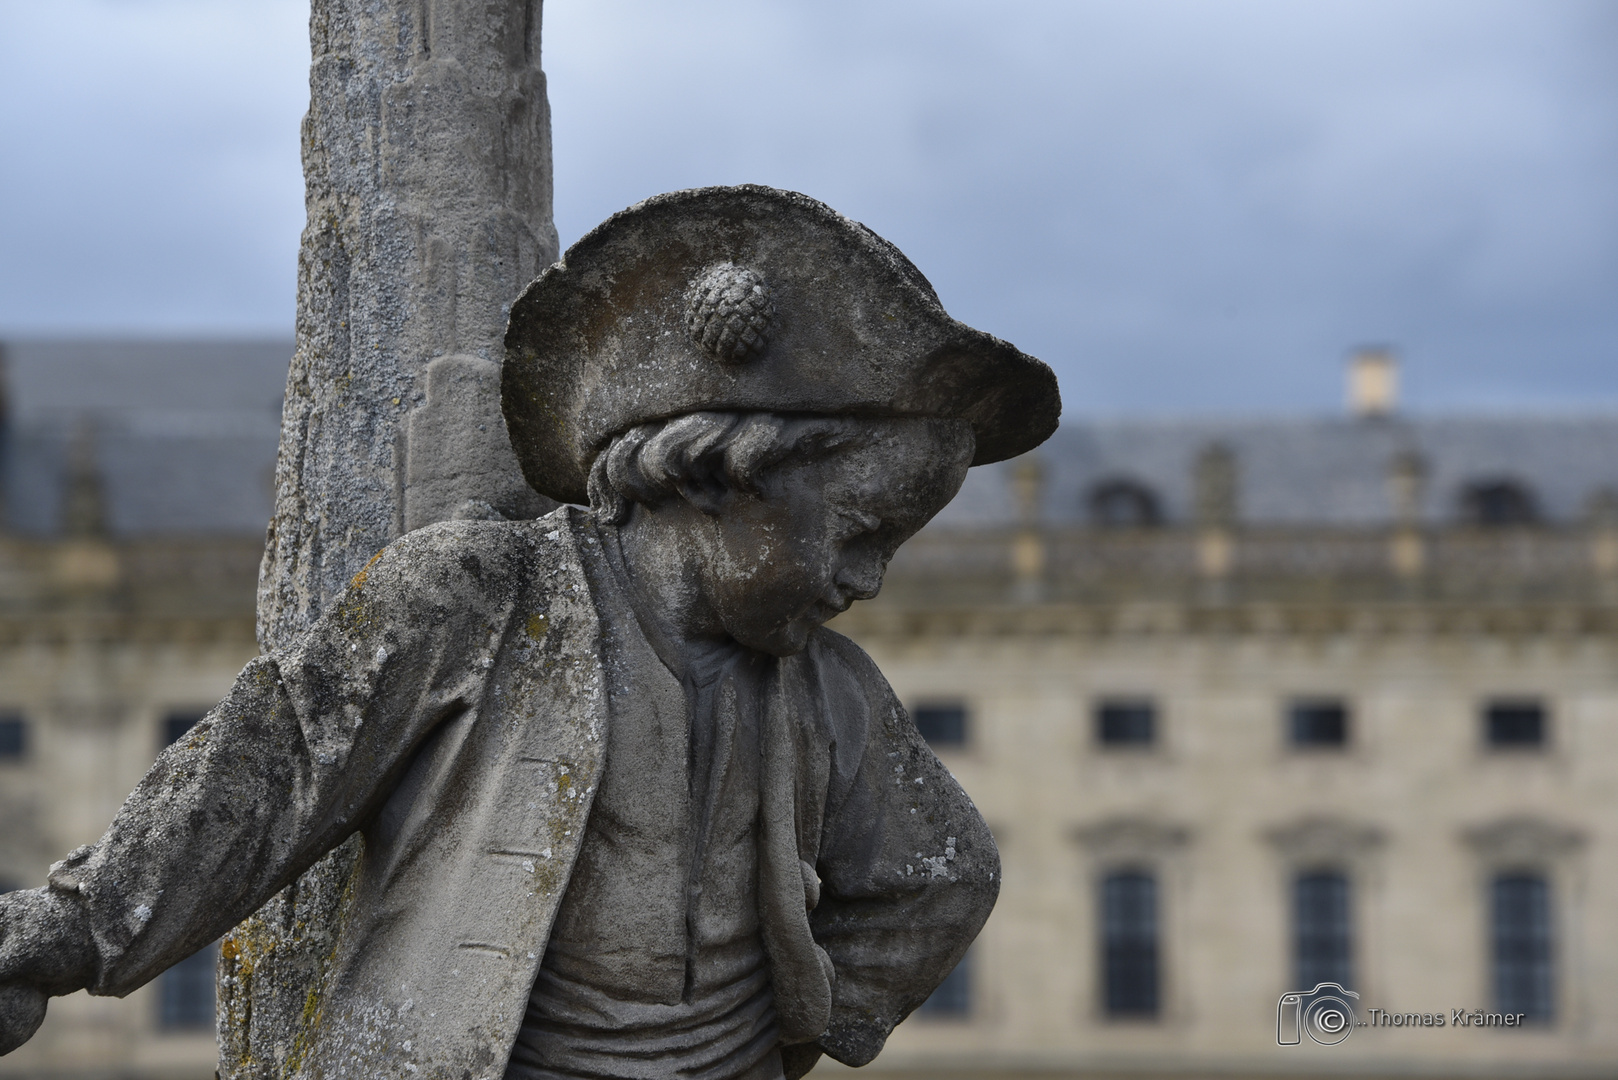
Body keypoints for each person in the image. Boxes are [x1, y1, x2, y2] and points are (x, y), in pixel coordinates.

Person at [0, 186, 1060, 1080]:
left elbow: (941, 870)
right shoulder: (477, 594)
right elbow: (271, 772)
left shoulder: (829, 691)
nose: (866, 578)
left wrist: (806, 1015)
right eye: (859, 530)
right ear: (720, 468)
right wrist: (67, 932)